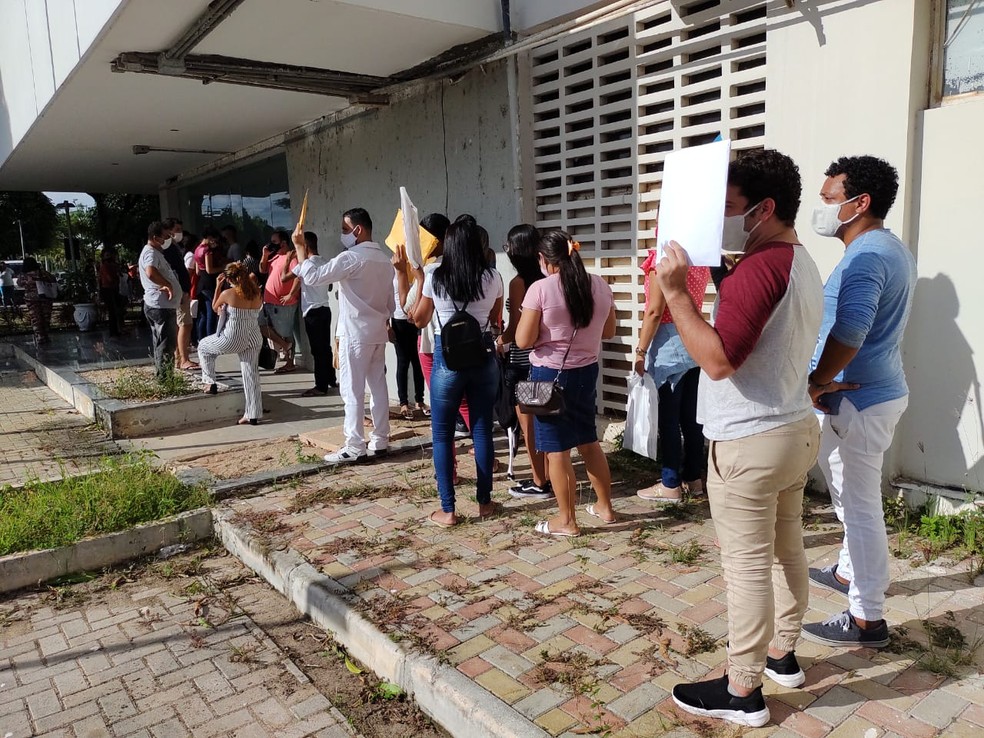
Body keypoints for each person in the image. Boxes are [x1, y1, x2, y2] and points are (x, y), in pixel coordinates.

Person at [656, 150, 823, 728]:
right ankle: (783, 655)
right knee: (786, 549)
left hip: (751, 440)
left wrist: (677, 295)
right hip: (792, 428)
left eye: (729, 208)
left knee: (748, 567)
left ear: (764, 208)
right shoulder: (797, 260)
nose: (722, 219)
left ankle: (744, 689)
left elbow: (719, 360)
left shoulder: (761, 268)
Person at [801, 156, 916, 649]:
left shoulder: (868, 255)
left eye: (829, 199)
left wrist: (816, 380)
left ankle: (868, 619)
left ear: (859, 203)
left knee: (862, 507)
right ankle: (849, 572)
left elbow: (851, 331)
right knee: (850, 498)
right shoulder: (886, 247)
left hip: (860, 399)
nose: (822, 208)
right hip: (867, 395)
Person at [515, 230, 617, 537]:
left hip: (550, 376)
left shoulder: (540, 289)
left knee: (557, 449)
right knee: (588, 441)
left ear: (544, 260)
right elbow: (609, 330)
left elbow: (522, 339)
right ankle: (605, 507)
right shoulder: (598, 283)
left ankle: (567, 521)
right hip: (587, 372)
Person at [409, 218, 502, 526]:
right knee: (482, 430)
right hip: (483, 355)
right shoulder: (493, 277)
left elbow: (420, 320)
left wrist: (412, 278)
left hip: (447, 359)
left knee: (441, 434)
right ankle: (485, 503)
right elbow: (497, 320)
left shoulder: (435, 275)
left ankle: (447, 510)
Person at [292, 208, 394, 463]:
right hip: (376, 331)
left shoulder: (351, 258)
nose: (342, 234)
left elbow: (314, 277)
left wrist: (299, 247)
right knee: (378, 387)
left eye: (345, 229)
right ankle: (380, 439)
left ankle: (354, 445)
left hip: (355, 333)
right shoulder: (383, 259)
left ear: (358, 230)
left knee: (352, 390)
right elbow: (391, 303)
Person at [634, 250, 710, 501]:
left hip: (669, 346)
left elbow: (655, 311)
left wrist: (640, 350)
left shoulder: (663, 261)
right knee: (691, 419)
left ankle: (669, 484)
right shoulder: (698, 258)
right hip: (694, 340)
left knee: (668, 420)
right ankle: (694, 479)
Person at [496, 224, 550, 500]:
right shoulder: (548, 278)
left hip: (521, 359)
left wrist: (497, 340)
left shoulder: (519, 283)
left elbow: (516, 329)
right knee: (545, 420)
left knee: (527, 425)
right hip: (546, 357)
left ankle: (540, 481)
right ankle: (549, 476)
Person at [197, 262, 264, 425]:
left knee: (203, 347)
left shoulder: (228, 293)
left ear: (229, 278)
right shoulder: (256, 292)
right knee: (251, 375)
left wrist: (217, 287)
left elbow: (214, 307)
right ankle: (253, 414)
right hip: (254, 336)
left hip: (234, 337)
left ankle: (209, 382)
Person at [294, 231, 337, 396]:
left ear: (304, 246)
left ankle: (320, 386)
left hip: (312, 311)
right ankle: (330, 379)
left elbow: (285, 277)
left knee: (317, 350)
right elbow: (331, 285)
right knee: (325, 347)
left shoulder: (306, 264)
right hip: (325, 308)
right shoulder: (325, 262)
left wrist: (292, 259)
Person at [139, 222, 181, 381]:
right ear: (155, 238)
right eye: (166, 236)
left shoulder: (155, 252)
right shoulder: (150, 253)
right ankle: (165, 379)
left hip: (162, 305)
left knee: (162, 342)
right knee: (166, 344)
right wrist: (167, 284)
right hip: (161, 306)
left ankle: (164, 376)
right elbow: (150, 272)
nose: (169, 239)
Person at [260, 229, 301, 374]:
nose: (271, 244)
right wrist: (264, 256)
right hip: (269, 302)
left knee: (286, 332)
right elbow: (263, 269)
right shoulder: (275, 256)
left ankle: (290, 362)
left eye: (274, 242)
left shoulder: (292, 258)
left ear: (283, 243)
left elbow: (298, 276)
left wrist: (291, 294)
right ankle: (285, 345)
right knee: (261, 326)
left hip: (284, 304)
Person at [391, 251, 426, 420]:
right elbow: (386, 300)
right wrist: (386, 325)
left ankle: (420, 400)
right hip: (399, 320)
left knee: (418, 361)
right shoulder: (393, 274)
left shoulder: (417, 271)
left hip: (417, 320)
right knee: (403, 362)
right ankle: (403, 402)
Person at [162, 218, 197, 370]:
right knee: (185, 323)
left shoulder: (175, 247)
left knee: (183, 323)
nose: (179, 233)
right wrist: (181, 290)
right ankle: (183, 359)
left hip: (182, 289)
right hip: (179, 291)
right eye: (176, 229)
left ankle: (180, 357)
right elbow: (174, 271)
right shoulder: (168, 249)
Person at [194, 227, 225, 338]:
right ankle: (210, 337)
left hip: (201, 283)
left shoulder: (197, 249)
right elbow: (209, 269)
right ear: (209, 237)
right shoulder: (207, 250)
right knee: (212, 311)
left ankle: (200, 337)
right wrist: (222, 267)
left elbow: (198, 271)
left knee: (203, 314)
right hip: (209, 282)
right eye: (213, 238)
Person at [16, 257, 55, 343]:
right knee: (46, 316)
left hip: (30, 299)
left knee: (35, 318)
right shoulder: (42, 273)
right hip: (45, 297)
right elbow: (52, 279)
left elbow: (19, 283)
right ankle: (46, 335)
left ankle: (39, 336)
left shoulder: (23, 275)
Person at [98, 247, 124, 336]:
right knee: (112, 310)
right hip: (108, 289)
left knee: (116, 309)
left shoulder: (113, 265)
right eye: (107, 255)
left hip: (114, 288)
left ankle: (117, 329)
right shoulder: (104, 266)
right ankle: (113, 331)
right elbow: (109, 279)